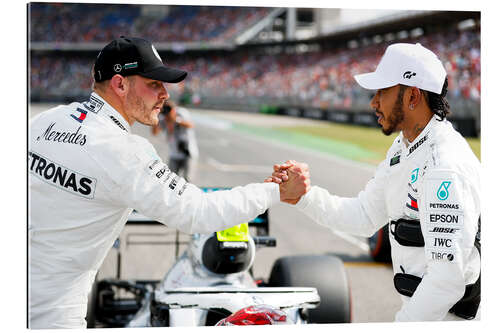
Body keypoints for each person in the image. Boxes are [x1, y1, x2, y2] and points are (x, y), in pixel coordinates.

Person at [28, 36, 309, 329]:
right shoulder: (123, 151)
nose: (164, 94)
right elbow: (199, 213)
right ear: (120, 84)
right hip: (51, 313)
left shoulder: (47, 120)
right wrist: (275, 190)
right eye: (154, 84)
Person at [268, 43, 480, 322]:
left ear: (412, 96)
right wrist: (304, 197)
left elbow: (446, 281)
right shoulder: (404, 147)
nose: (374, 102)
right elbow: (364, 216)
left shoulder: (444, 166)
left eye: (383, 91)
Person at [154, 100, 198, 180]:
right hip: (174, 153)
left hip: (188, 152)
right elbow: (155, 132)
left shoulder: (181, 113)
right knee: (171, 179)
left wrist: (175, 119)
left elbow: (190, 125)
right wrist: (157, 117)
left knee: (188, 179)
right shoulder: (163, 117)